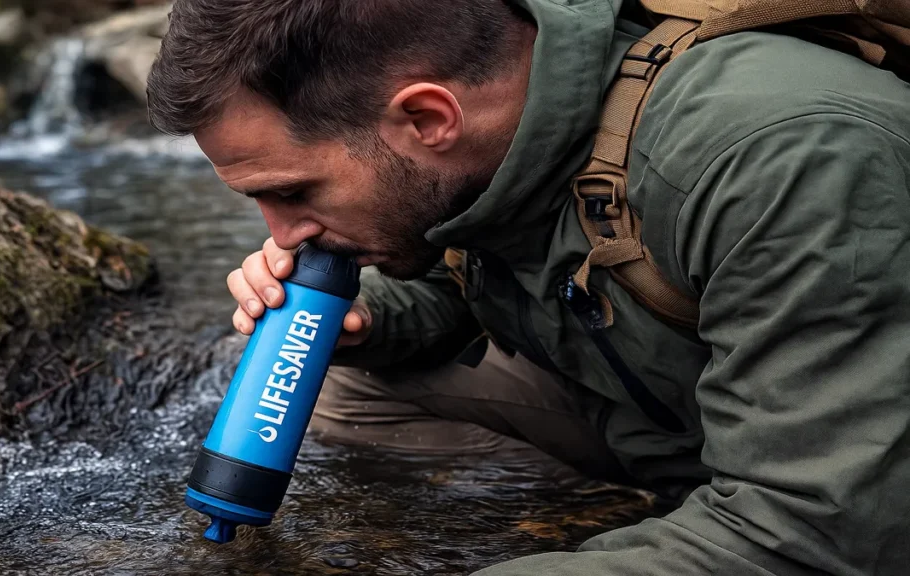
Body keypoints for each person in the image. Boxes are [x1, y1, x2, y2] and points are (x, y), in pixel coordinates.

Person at [145, 0, 910, 574]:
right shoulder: (504, 115)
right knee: (356, 386)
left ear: (426, 116)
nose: (281, 236)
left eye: (293, 192)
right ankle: (660, 527)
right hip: (676, 420)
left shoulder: (785, 160)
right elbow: (490, 273)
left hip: (831, 498)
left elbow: (825, 532)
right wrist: (364, 321)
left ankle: (699, 532)